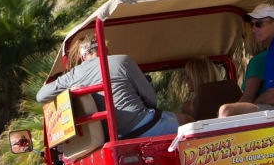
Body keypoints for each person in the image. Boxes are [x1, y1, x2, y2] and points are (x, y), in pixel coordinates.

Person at [36, 36, 189, 139]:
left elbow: (41, 96)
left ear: (82, 57)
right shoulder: (123, 61)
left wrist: (72, 89)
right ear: (105, 49)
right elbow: (151, 99)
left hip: (113, 136)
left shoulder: (72, 75)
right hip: (145, 125)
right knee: (188, 121)